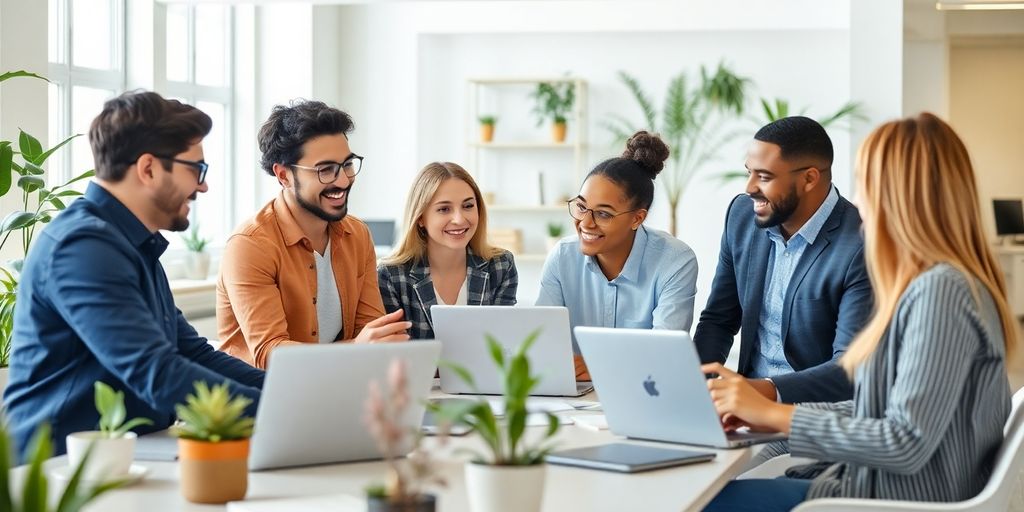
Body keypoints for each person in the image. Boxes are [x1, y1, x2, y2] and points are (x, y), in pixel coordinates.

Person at [702, 113, 1018, 511]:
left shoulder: (942, 292)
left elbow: (905, 442)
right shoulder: (939, 284)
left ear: (896, 197)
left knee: (700, 502)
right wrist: (768, 414)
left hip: (890, 498)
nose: (859, 201)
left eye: (865, 184)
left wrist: (776, 415)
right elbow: (876, 406)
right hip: (874, 485)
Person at [2, 91, 264, 457]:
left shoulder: (132, 243)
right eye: (197, 169)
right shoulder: (83, 247)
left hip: (122, 458)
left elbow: (191, 354)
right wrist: (279, 410)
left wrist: (280, 391)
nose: (203, 185)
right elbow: (156, 371)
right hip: (55, 472)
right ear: (149, 168)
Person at [217, 100, 410, 369]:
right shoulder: (250, 246)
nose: (342, 180)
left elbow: (372, 332)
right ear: (283, 175)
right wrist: (357, 349)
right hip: (261, 398)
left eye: (347, 164)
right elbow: (269, 354)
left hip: (337, 388)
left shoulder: (357, 235)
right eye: (325, 170)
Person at [692, 116, 872, 404]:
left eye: (764, 177)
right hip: (743, 407)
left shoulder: (860, 244)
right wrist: (695, 388)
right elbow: (718, 320)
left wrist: (757, 391)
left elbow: (848, 368)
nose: (749, 187)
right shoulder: (742, 216)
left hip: (813, 414)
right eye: (749, 172)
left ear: (809, 178)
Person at [537, 131, 698, 379]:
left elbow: (665, 354)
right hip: (572, 395)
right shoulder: (562, 257)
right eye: (581, 207)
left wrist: (598, 366)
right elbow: (541, 342)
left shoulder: (675, 261)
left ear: (637, 218)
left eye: (603, 214)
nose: (585, 223)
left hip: (646, 393)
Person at [377, 162, 517, 339]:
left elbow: (502, 344)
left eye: (468, 206)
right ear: (420, 217)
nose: (459, 219)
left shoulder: (501, 266)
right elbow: (394, 355)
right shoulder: (390, 276)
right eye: (444, 209)